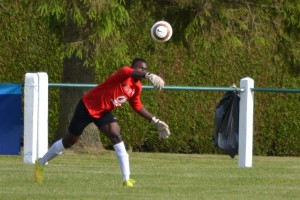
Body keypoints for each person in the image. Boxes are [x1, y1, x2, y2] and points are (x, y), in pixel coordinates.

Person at [34, 58, 171, 187]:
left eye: (145, 68)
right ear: (133, 67)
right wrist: (149, 75)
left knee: (116, 135)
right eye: (140, 67)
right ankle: (40, 163)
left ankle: (126, 179)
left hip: (103, 112)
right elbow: (131, 72)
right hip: (87, 106)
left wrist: (155, 121)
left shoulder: (137, 87)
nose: (143, 69)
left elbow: (137, 106)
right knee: (69, 141)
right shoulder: (124, 73)